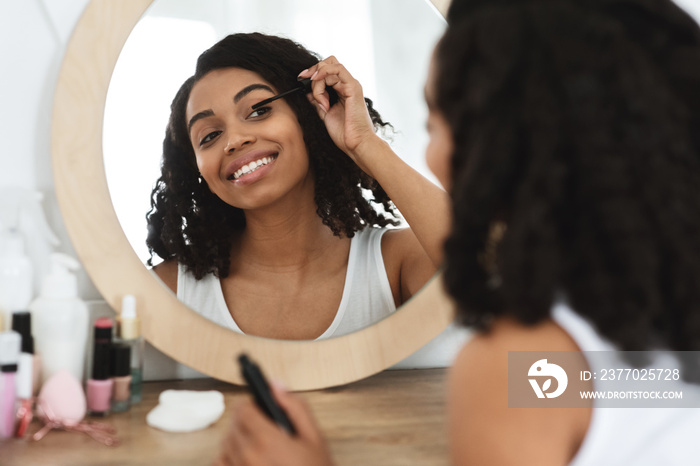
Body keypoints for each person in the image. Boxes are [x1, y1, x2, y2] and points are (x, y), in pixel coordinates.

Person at [214, 0, 700, 464]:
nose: (432, 155)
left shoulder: (521, 364)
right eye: (209, 135)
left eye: (441, 121)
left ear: (516, 135)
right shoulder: (666, 300)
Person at [146, 33, 449, 340]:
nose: (234, 140)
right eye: (209, 136)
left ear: (308, 117)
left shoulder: (396, 261)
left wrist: (365, 145)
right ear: (197, 170)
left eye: (259, 110)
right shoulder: (169, 288)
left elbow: (489, 267)